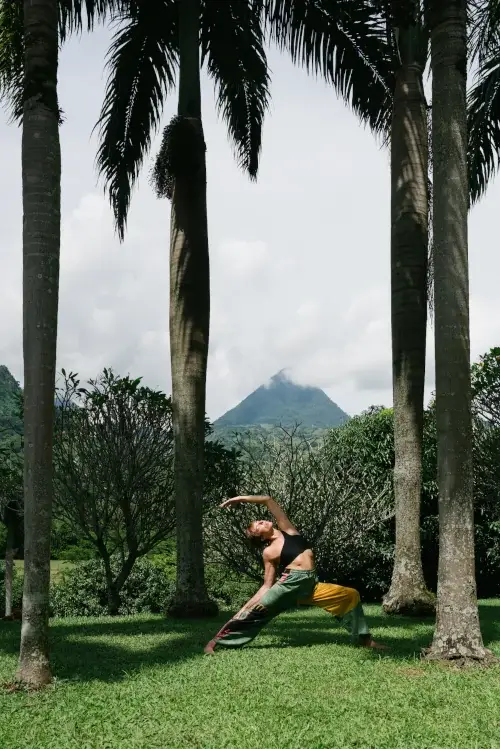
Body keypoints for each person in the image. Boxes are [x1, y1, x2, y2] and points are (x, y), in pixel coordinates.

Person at [204, 495, 386, 654]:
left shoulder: (288, 530)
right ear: (260, 537)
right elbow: (268, 584)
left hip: (309, 585)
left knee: (350, 595)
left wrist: (240, 499)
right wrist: (251, 603)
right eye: (257, 526)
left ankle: (365, 641)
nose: (261, 521)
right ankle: (215, 642)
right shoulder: (269, 552)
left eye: (259, 520)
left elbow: (268, 500)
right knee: (254, 613)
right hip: (288, 585)